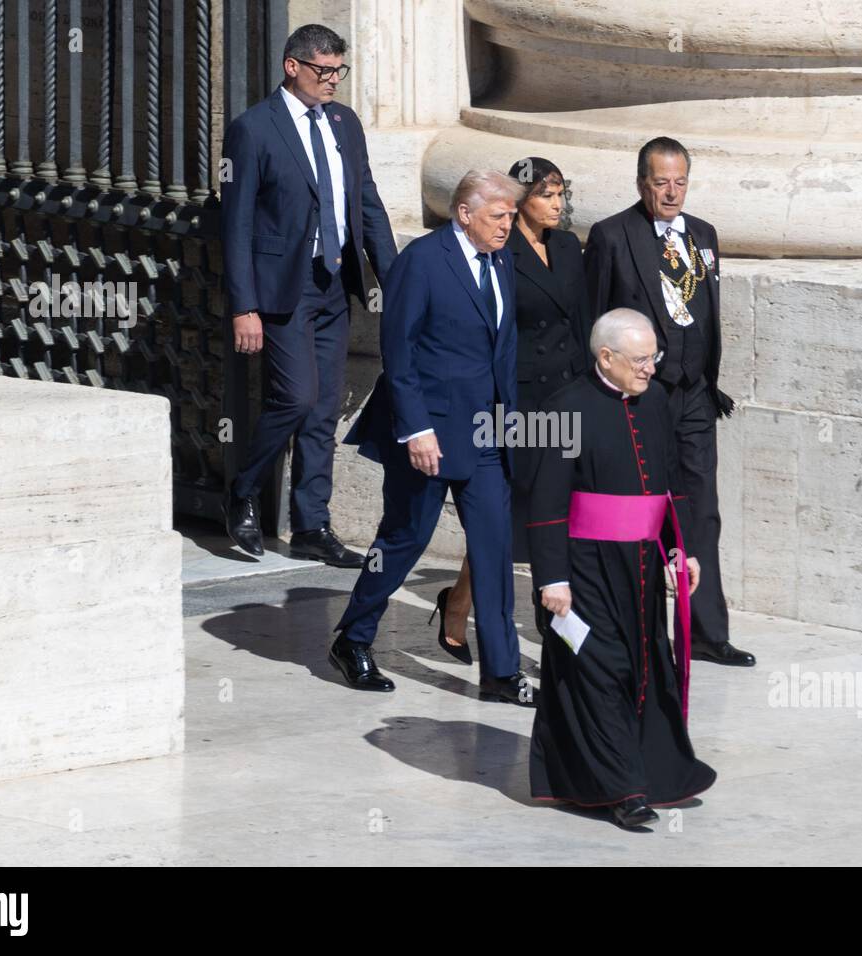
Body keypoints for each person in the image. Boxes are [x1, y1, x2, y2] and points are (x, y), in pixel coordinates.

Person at [330, 170, 537, 706]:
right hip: (430, 433)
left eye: (512, 217)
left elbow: (504, 350)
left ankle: (501, 673)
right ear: (464, 214)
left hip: (487, 432)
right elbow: (398, 352)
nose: (507, 226)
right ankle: (353, 639)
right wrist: (417, 429)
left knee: (494, 550)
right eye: (498, 217)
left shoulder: (502, 263)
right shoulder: (422, 261)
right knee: (403, 540)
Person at [527, 309, 717, 829]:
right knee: (599, 669)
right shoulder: (562, 409)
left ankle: (646, 771)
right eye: (639, 359)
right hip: (586, 567)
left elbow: (671, 483)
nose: (651, 368)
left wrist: (682, 551)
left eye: (654, 357)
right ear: (605, 358)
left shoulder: (655, 400)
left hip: (643, 567)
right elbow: (544, 502)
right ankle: (623, 790)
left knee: (641, 669)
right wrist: (552, 579)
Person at [220, 23, 397, 566]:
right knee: (294, 398)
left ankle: (312, 524)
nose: (333, 81)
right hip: (282, 287)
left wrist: (398, 278)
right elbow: (237, 223)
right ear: (291, 66)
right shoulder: (253, 129)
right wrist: (243, 306)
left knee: (321, 411)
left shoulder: (345, 123)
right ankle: (242, 489)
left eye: (339, 71)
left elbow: (366, 201)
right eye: (324, 71)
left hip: (333, 284)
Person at [583, 137, 755, 667]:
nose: (672, 192)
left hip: (696, 396)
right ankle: (637, 635)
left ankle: (704, 632)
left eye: (680, 181)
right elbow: (591, 323)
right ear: (642, 183)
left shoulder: (703, 235)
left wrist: (707, 376)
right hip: (642, 400)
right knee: (641, 514)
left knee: (701, 510)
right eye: (661, 182)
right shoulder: (612, 236)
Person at [434, 157, 590, 665]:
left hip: (565, 398)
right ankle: (458, 603)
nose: (558, 205)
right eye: (548, 195)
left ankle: (554, 625)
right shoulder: (500, 252)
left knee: (559, 512)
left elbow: (582, 322)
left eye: (562, 194)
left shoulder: (568, 247)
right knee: (506, 516)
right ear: (521, 200)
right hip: (517, 403)